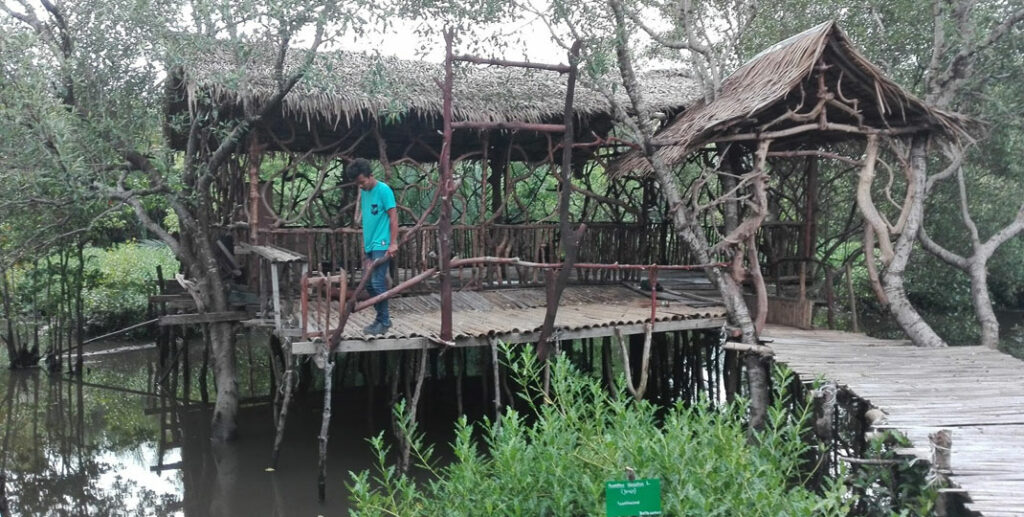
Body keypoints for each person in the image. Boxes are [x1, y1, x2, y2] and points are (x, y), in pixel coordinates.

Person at [347, 158, 398, 335]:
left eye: (362, 182)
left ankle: (384, 321)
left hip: (382, 243)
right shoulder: (364, 192)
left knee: (377, 281)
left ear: (371, 176)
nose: (361, 186)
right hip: (369, 244)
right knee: (368, 283)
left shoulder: (384, 190)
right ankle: (381, 318)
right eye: (358, 183)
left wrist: (393, 243)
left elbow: (393, 217)